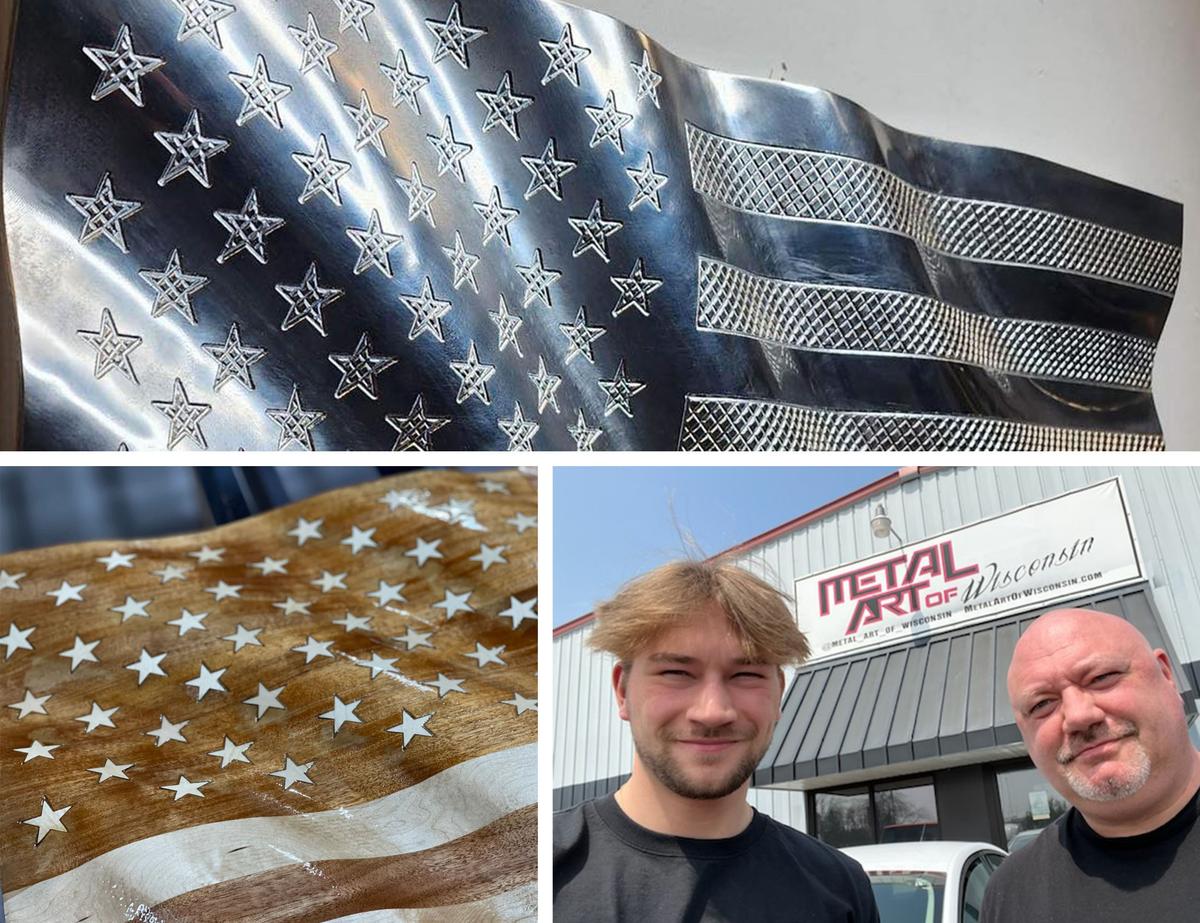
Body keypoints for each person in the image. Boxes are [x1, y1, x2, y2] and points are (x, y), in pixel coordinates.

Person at [554, 558, 879, 922]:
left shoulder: (841, 889)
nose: (713, 711)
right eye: (676, 672)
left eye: (746, 674)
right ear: (622, 691)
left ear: (778, 695)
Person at [982, 608, 1200, 922]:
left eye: (1101, 678)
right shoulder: (1011, 893)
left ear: (1166, 674)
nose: (1079, 716)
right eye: (1042, 704)